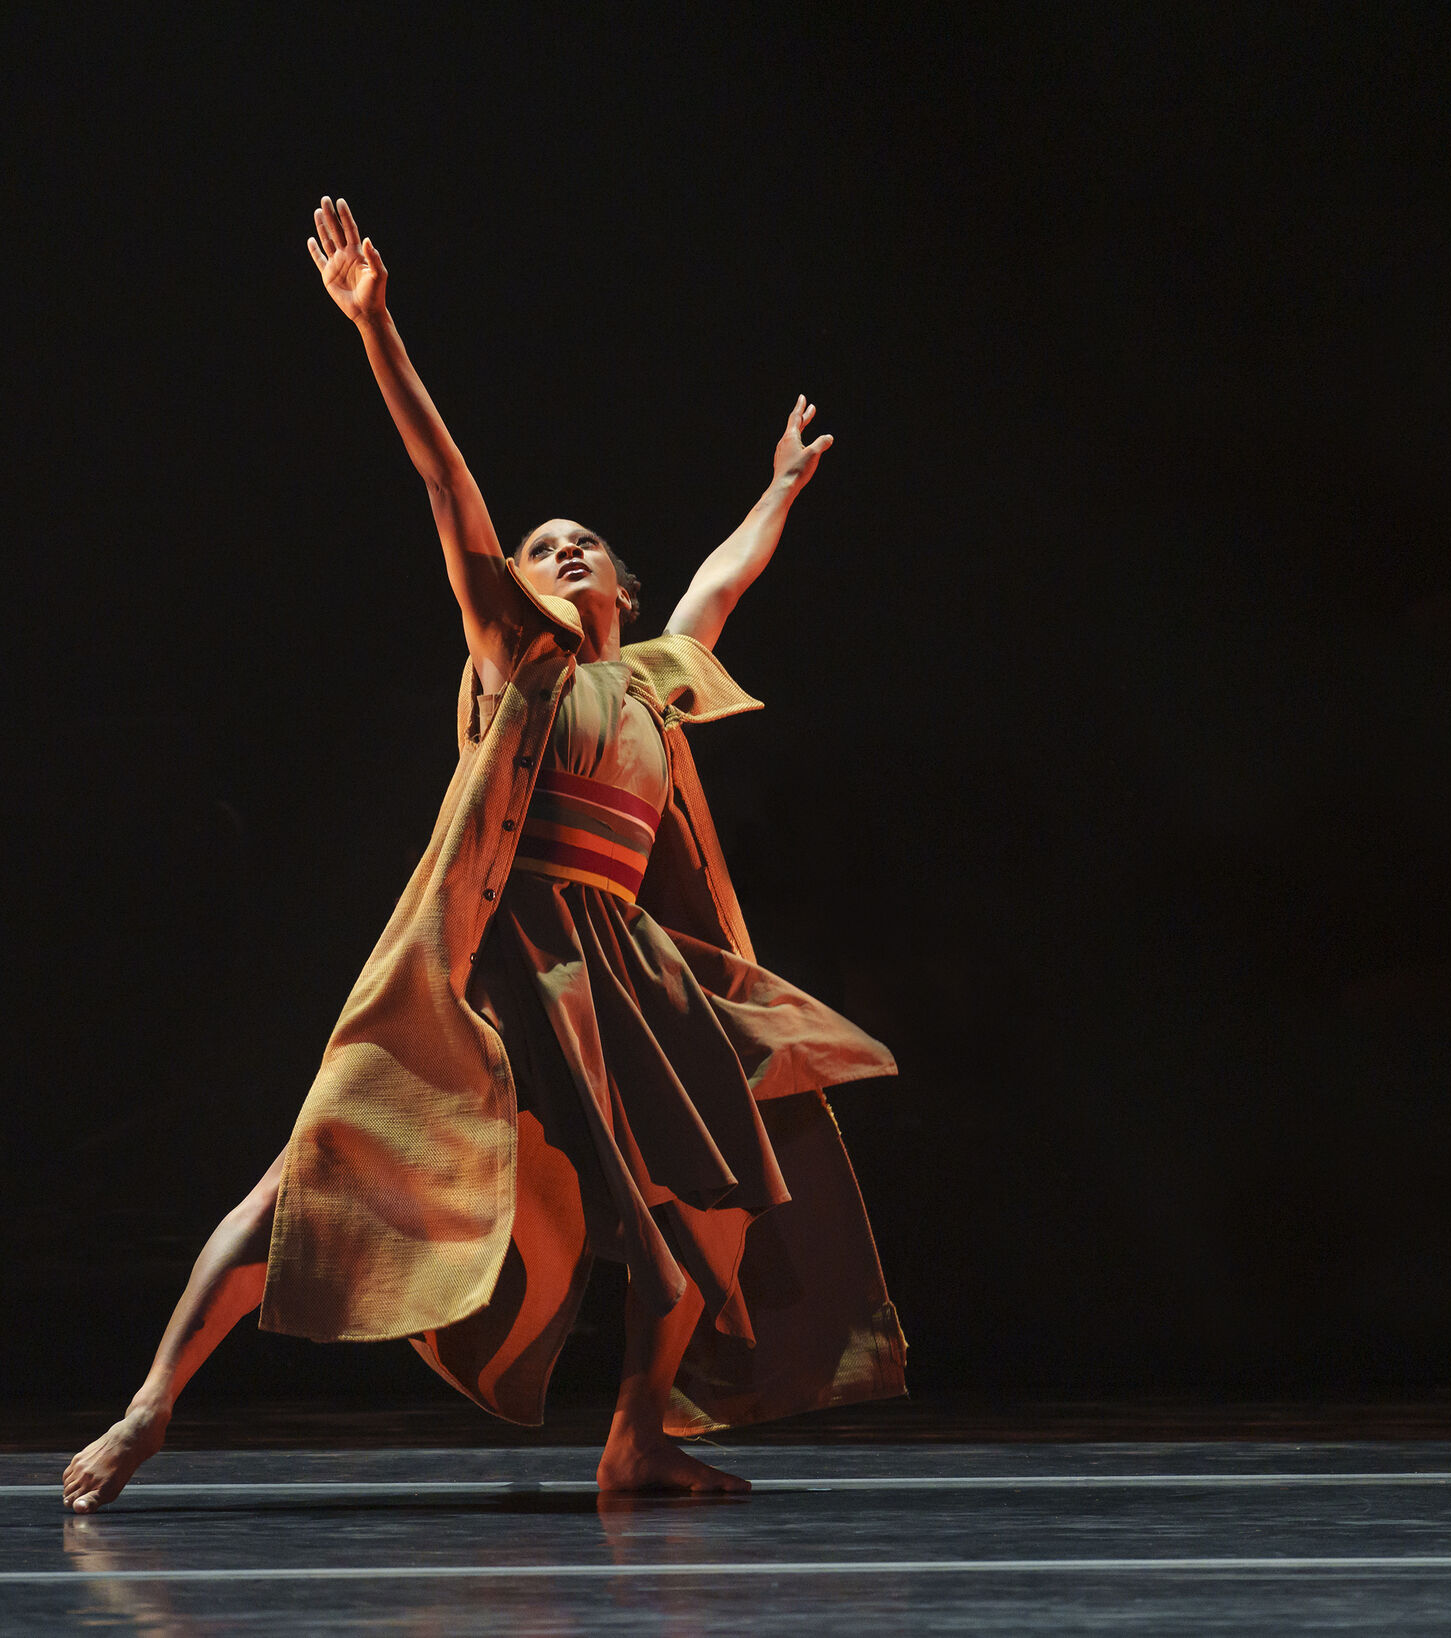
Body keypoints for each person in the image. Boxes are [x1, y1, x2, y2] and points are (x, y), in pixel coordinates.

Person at [62, 197, 903, 1509]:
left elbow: (719, 592)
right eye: (537, 547)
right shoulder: (525, 655)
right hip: (509, 968)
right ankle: (147, 1407)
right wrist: (378, 326)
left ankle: (634, 1441)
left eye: (580, 545)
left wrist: (780, 489)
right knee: (304, 1178)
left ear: (617, 582)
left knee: (691, 1249)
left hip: (622, 980)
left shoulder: (652, 687)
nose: (555, 550)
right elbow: (449, 487)